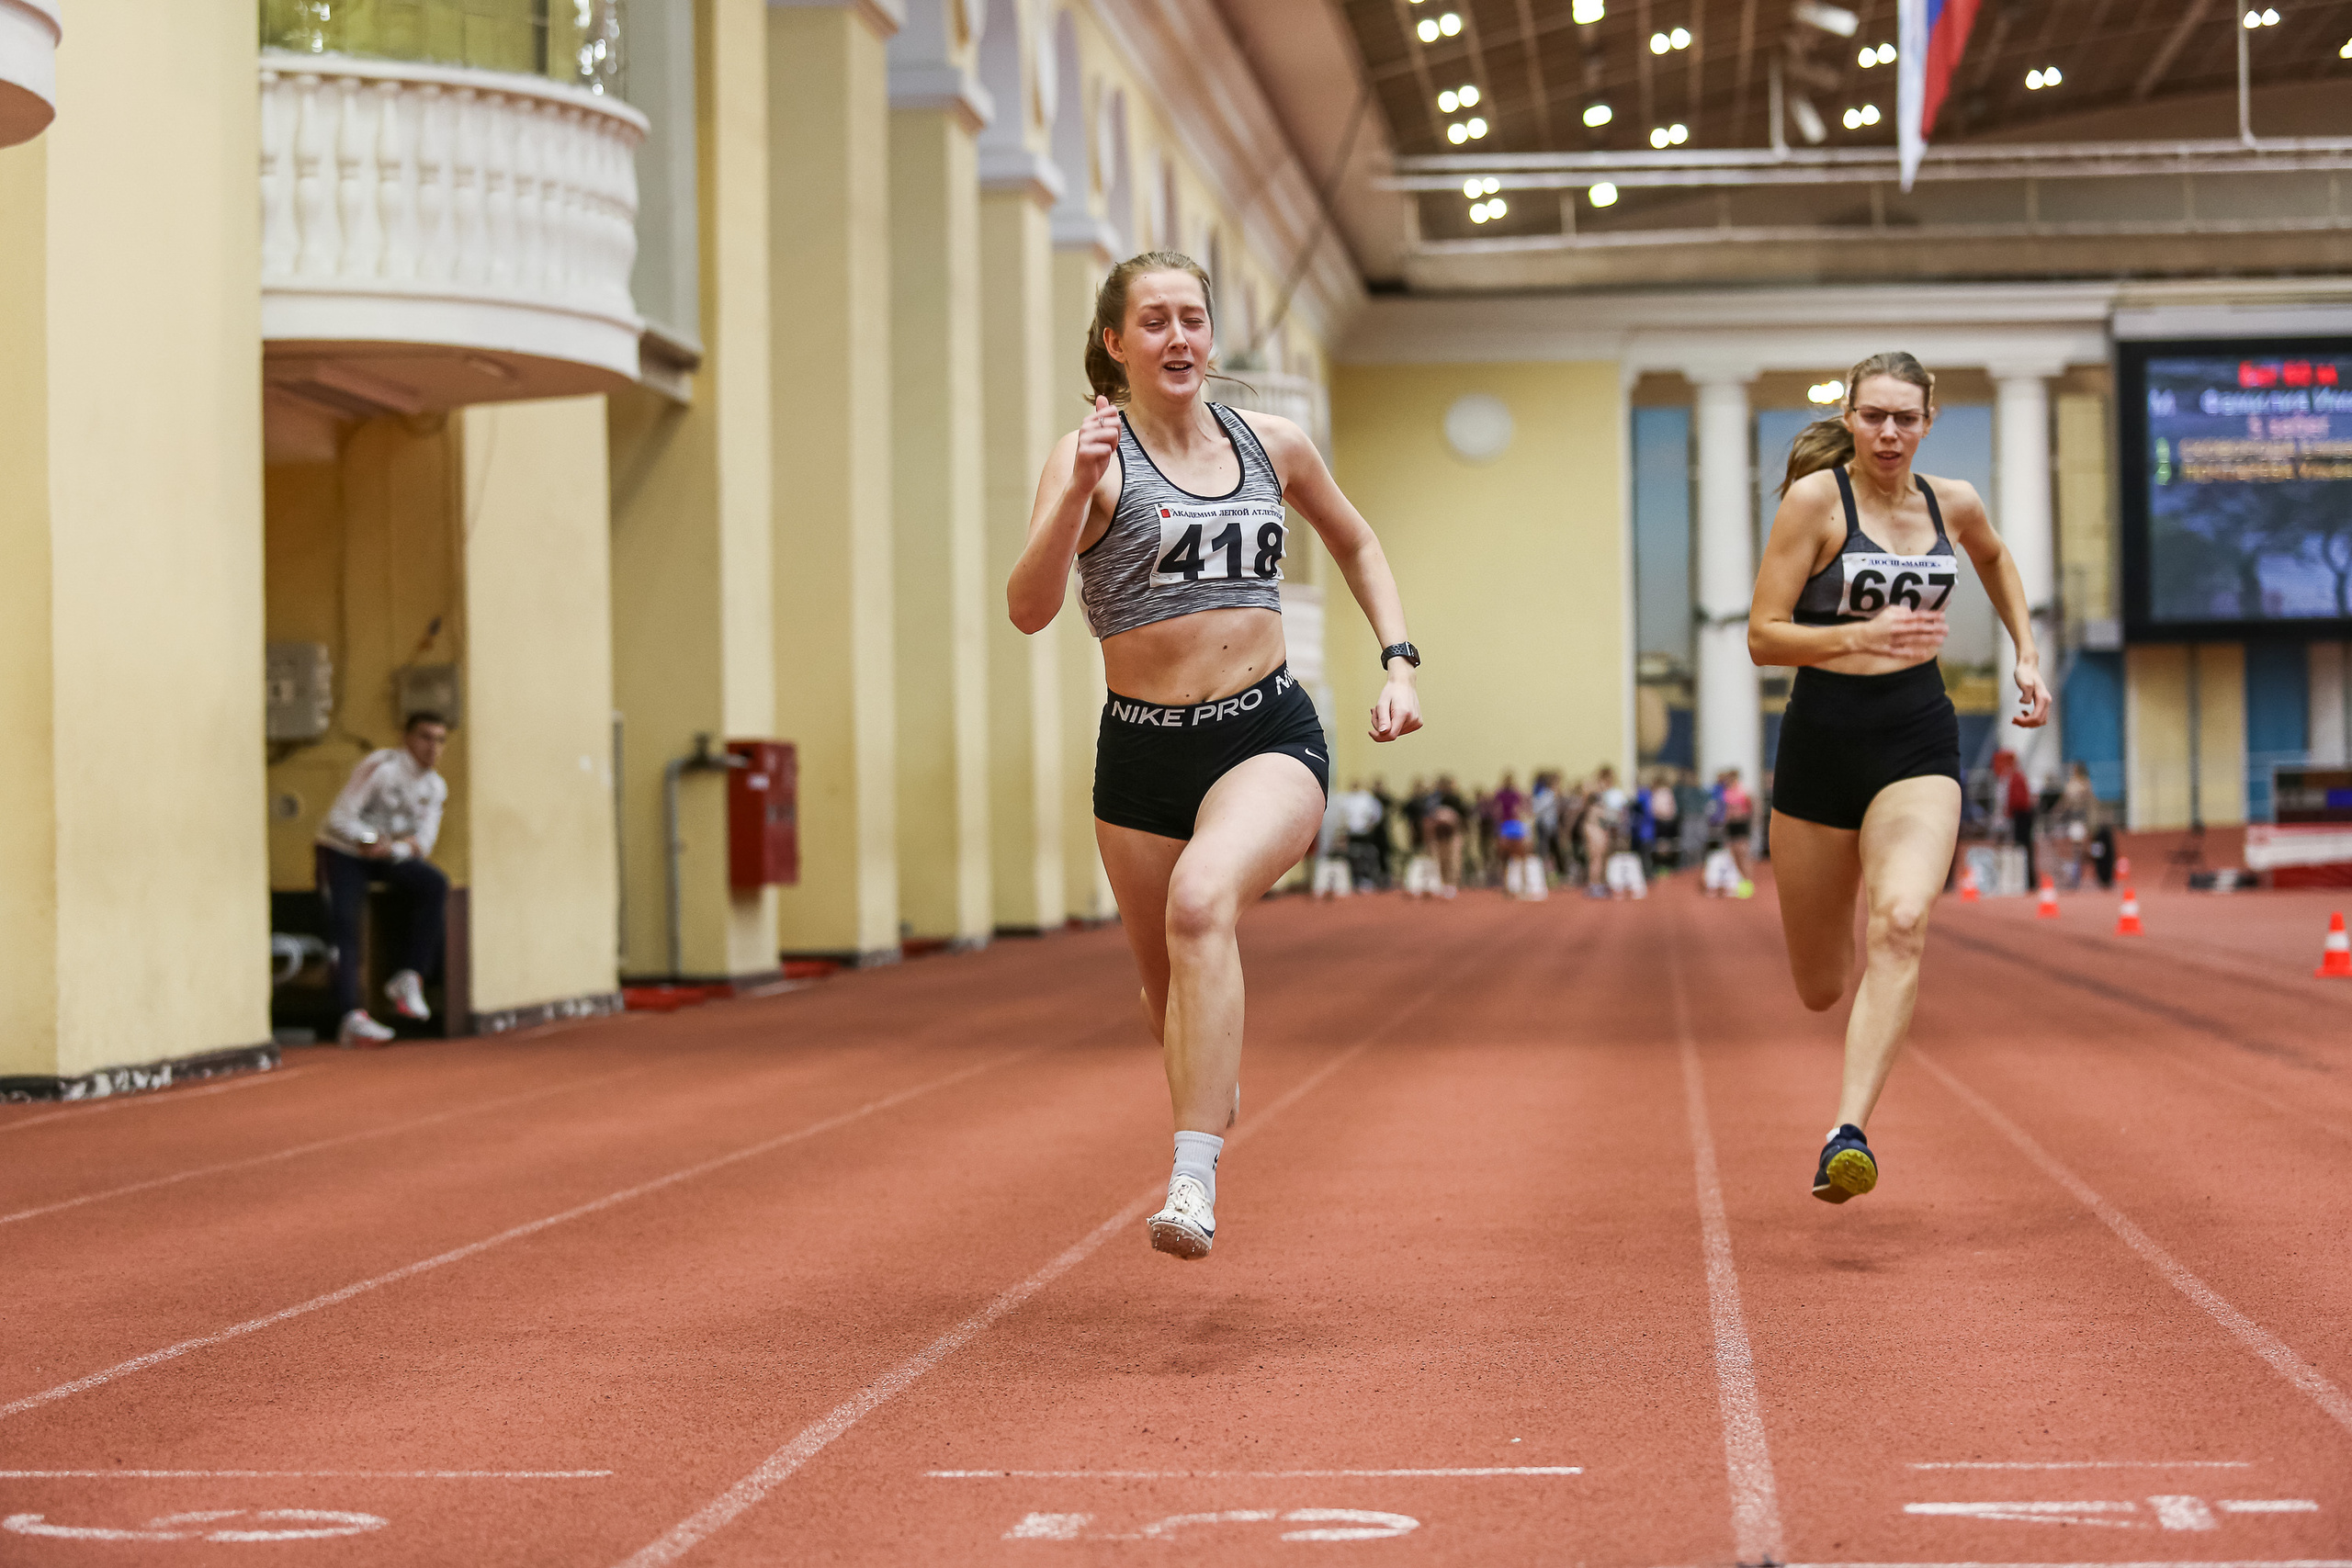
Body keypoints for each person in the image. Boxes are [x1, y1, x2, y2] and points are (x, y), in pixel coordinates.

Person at [1007, 252, 1422, 1260]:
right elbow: (1028, 610)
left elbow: (1356, 542)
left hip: (1265, 732)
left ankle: (1191, 1178)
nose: (1178, 337)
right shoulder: (1084, 460)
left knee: (1202, 905)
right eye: (1153, 322)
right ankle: (1210, 1086)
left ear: (1211, 337)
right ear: (1115, 345)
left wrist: (1399, 662)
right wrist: (1076, 495)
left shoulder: (1271, 443)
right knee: (1166, 992)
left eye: (1191, 318)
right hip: (1140, 755)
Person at [1749, 350, 2051, 1203]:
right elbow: (1764, 635)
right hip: (1820, 743)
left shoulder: (1953, 503)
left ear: (1929, 420)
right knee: (1820, 986)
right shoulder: (1817, 503)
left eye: (1904, 418)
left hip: (1917, 737)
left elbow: (1993, 561)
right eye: (1873, 415)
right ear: (1849, 417)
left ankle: (1847, 1132)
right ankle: (1843, 939)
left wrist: (2026, 653)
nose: (1889, 432)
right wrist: (1857, 637)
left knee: (1904, 920)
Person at [315, 712, 452, 1047]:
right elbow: (339, 818)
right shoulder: (381, 768)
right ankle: (351, 1016)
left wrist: (394, 849)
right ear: (407, 738)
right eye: (425, 737)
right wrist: (368, 840)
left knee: (434, 883)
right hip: (343, 853)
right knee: (345, 924)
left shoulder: (435, 787)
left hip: (386, 854)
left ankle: (409, 977)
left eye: (440, 740)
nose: (432, 747)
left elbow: (425, 841)